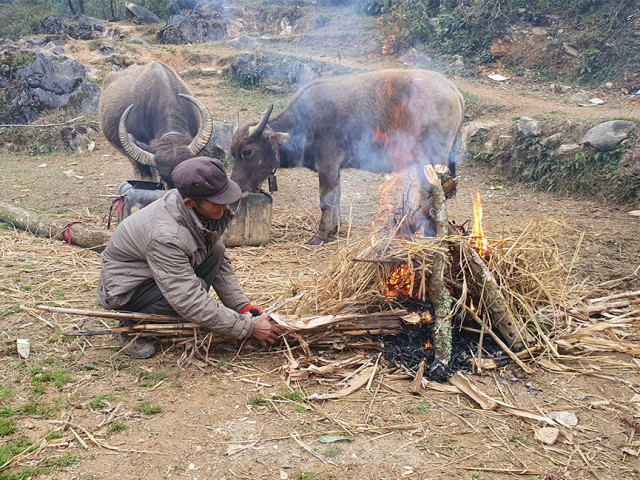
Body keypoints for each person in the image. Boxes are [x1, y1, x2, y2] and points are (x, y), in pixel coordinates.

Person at [97, 156, 282, 358]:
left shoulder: (198, 211)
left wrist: (242, 306)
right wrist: (246, 327)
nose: (225, 206)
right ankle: (134, 323)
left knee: (216, 251)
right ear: (189, 203)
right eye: (217, 202)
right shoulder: (165, 235)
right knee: (196, 291)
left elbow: (219, 263)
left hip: (154, 273)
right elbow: (187, 298)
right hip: (128, 290)